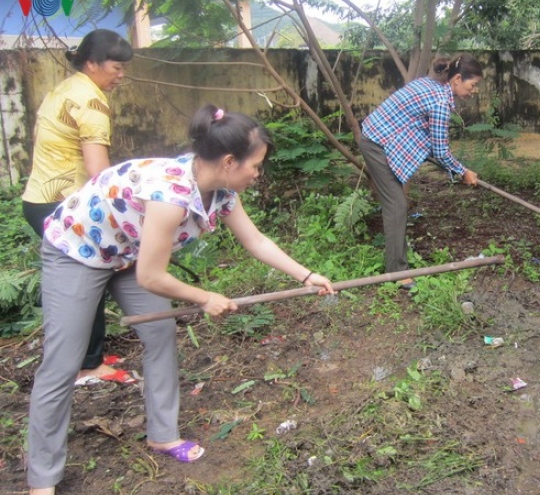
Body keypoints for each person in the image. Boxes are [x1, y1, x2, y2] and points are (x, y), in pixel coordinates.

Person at [27, 104, 335, 495]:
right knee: (63, 361)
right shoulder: (169, 193)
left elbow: (255, 241)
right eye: (255, 166)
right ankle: (42, 480)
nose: (258, 174)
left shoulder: (220, 191)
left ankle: (163, 435)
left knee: (160, 335)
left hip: (129, 254)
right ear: (228, 161)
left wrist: (306, 275)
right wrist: (205, 297)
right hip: (77, 250)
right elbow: (152, 276)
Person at [21, 29, 134, 386]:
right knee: (89, 276)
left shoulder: (67, 88)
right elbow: (100, 177)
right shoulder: (92, 102)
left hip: (42, 199)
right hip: (63, 205)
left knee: (90, 276)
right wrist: (122, 223)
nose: (121, 75)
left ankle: (89, 355)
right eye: (116, 67)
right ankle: (87, 365)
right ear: (92, 63)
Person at [359, 54, 482, 290]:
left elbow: (414, 125)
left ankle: (398, 258)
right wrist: (463, 171)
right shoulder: (439, 102)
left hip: (381, 140)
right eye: (472, 84)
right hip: (376, 144)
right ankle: (396, 272)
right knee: (397, 205)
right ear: (457, 79)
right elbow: (441, 151)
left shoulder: (430, 85)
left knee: (398, 204)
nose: (473, 90)